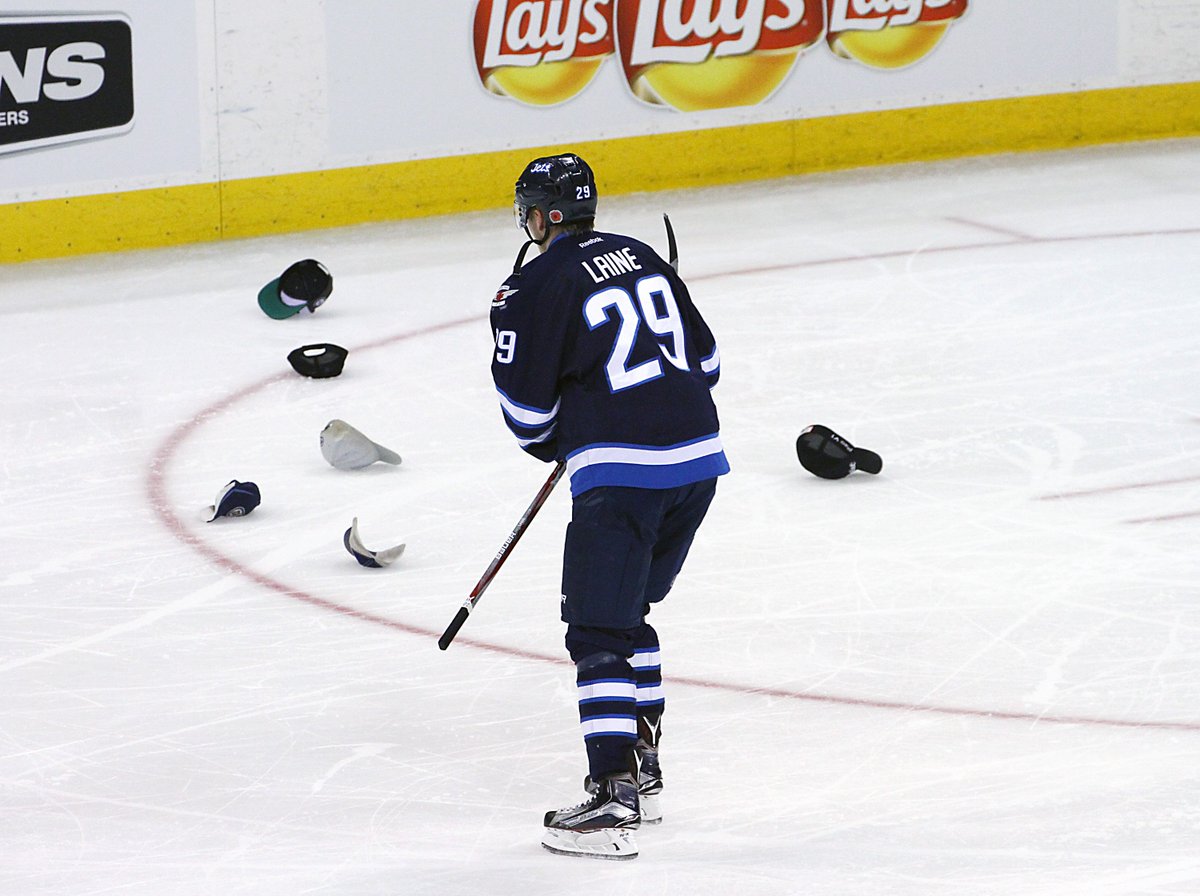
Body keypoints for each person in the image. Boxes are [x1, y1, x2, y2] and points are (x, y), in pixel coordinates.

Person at [488, 152, 729, 860]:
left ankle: (614, 793)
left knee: (597, 634)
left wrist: (572, 434)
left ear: (541, 216)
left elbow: (527, 415)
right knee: (629, 617)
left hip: (623, 476)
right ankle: (644, 764)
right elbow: (707, 364)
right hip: (699, 463)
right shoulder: (642, 254)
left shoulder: (528, 286)